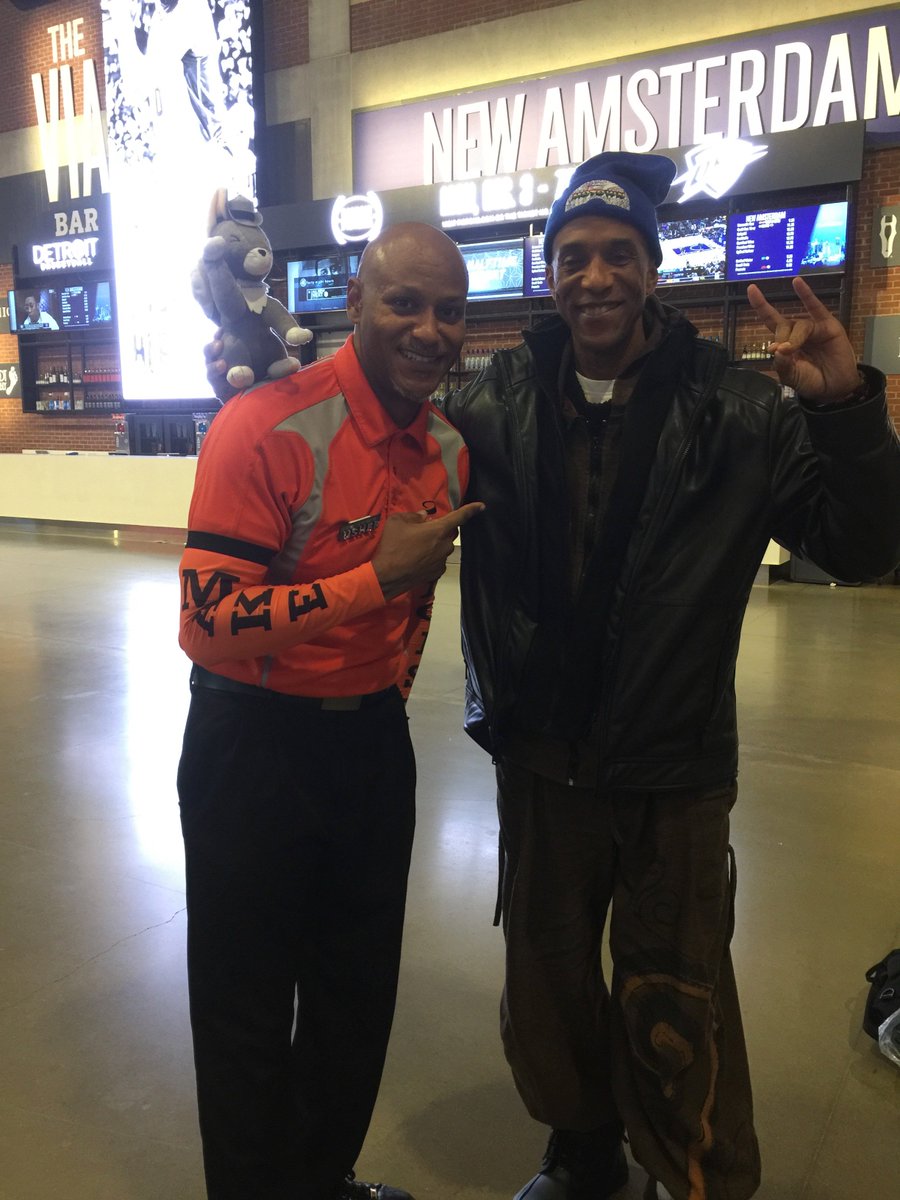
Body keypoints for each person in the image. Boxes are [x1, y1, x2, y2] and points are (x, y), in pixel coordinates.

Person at [442, 152, 900, 1200]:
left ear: (653, 270)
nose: (594, 276)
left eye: (618, 254)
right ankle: (582, 1151)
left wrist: (844, 412)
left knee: (677, 994)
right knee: (548, 984)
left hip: (674, 769)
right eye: (573, 256)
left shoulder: (740, 409)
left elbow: (866, 548)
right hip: (540, 760)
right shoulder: (492, 404)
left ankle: (694, 1174)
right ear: (549, 273)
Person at [177, 221, 483, 1200]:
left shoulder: (447, 448)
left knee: (357, 999)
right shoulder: (262, 425)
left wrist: (384, 695)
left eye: (449, 311)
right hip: (251, 750)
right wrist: (368, 581)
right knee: (246, 1006)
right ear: (355, 301)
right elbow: (206, 624)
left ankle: (318, 1183)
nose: (429, 329)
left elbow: (417, 609)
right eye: (405, 303)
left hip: (371, 751)